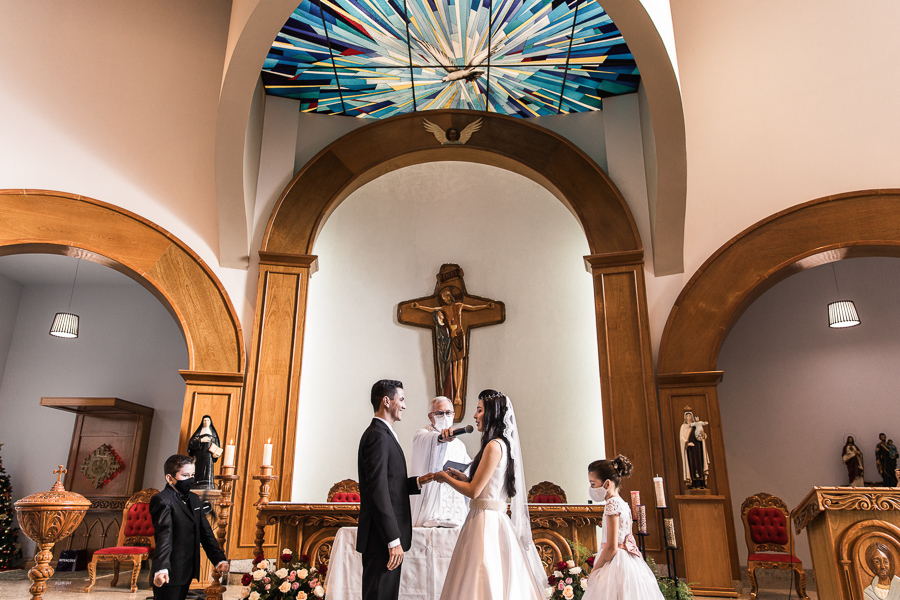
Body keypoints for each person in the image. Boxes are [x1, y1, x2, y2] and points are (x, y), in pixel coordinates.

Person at [429, 389, 546, 599]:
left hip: (485, 522)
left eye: (479, 410)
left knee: (481, 576)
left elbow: (474, 492)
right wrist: (463, 478)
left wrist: (445, 478)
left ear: (493, 413)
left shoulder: (493, 446)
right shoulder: (500, 444)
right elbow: (485, 486)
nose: (475, 416)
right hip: (489, 518)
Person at [357, 379, 434, 600]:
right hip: (382, 539)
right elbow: (377, 490)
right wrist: (392, 539)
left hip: (383, 538)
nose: (404, 405)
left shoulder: (383, 433)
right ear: (386, 401)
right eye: (401, 399)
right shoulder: (378, 435)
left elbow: (388, 484)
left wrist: (418, 481)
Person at [582, 455, 663, 600]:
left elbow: (611, 547)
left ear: (607, 484)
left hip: (615, 562)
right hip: (629, 561)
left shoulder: (612, 504)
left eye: (593, 484)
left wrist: (595, 571)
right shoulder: (623, 503)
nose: (591, 488)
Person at [150, 454, 228, 600]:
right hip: (170, 569)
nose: (190, 479)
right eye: (185, 475)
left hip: (187, 567)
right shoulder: (162, 500)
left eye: (192, 475)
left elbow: (205, 531)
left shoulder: (194, 498)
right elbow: (164, 536)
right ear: (170, 478)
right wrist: (161, 568)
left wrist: (219, 560)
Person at [410, 396, 472, 527]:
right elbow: (432, 439)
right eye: (439, 413)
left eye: (448, 413)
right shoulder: (423, 435)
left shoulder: (459, 445)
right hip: (431, 500)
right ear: (431, 416)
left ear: (453, 415)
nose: (445, 416)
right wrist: (441, 439)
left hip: (454, 500)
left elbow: (468, 470)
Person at [187, 415, 221, 489]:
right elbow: (191, 443)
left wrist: (216, 454)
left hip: (209, 456)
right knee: (198, 469)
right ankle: (197, 483)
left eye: (208, 420)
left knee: (208, 469)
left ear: (210, 422)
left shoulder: (213, 434)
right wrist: (201, 440)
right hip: (199, 455)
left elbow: (216, 445)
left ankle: (208, 484)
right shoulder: (198, 433)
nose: (206, 422)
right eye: (204, 420)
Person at [679, 410, 709, 489]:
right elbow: (682, 437)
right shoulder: (684, 427)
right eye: (687, 416)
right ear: (685, 417)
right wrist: (687, 443)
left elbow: (701, 435)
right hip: (690, 449)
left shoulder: (696, 425)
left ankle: (701, 483)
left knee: (699, 464)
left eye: (690, 416)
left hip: (698, 447)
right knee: (691, 465)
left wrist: (703, 435)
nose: (688, 417)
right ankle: (693, 483)